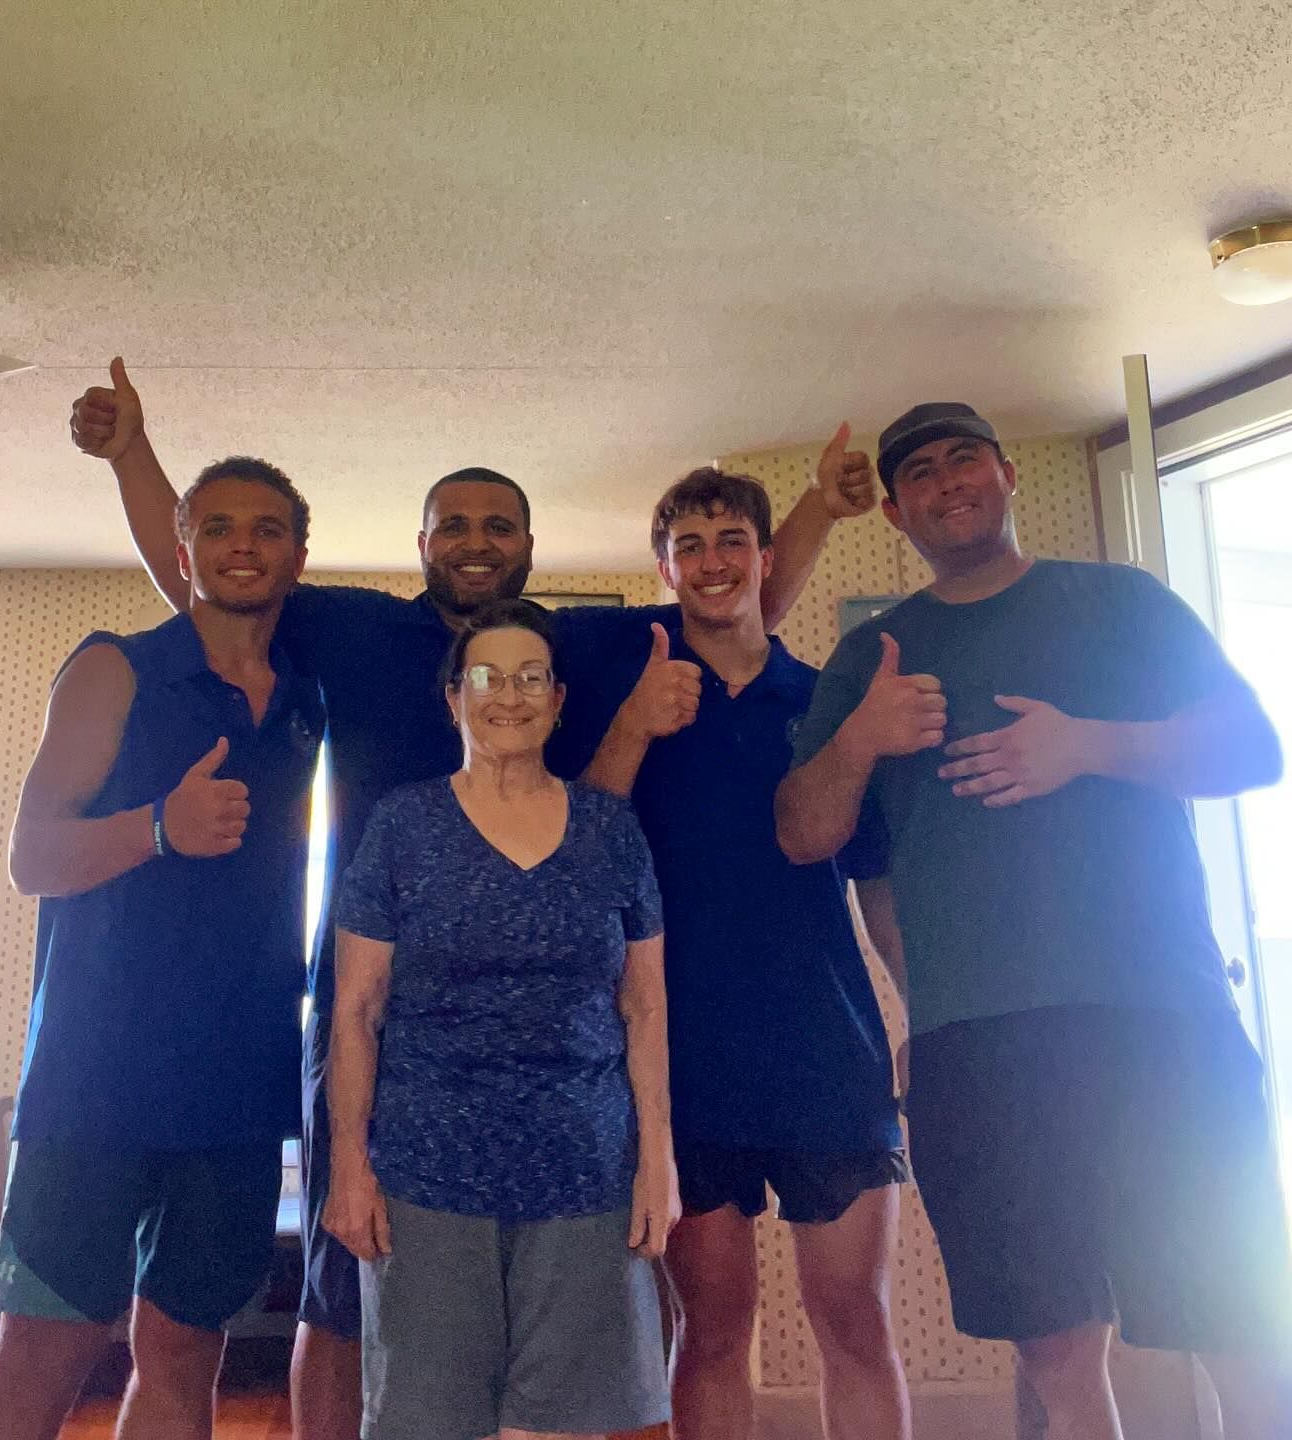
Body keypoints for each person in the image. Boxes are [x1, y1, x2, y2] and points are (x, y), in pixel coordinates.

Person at [68, 360, 874, 1439]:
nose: (478, 541)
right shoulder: (352, 632)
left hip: (556, 1035)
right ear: (423, 544)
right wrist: (132, 456)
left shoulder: (578, 641)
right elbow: (212, 583)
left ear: (530, 549)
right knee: (345, 1289)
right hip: (376, 1008)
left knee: (543, 1321)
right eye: (455, 524)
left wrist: (817, 506)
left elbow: (738, 604)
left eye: (500, 524)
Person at [775, 401, 1292, 1440]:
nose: (947, 480)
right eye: (919, 472)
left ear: (1009, 474)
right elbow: (802, 833)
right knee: (1054, 1341)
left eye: (966, 456)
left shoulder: (1121, 603)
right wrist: (862, 740)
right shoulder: (873, 654)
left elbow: (1252, 750)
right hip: (977, 1039)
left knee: (1235, 1317)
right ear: (894, 509)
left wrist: (1087, 746)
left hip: (1160, 1017)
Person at [0, 458, 323, 1440]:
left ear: (299, 551)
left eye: (264, 528)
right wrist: (159, 825)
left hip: (239, 1084)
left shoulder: (305, 695)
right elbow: (31, 858)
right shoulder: (113, 665)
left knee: (184, 1361)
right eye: (216, 528)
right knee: (38, 1368)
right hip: (98, 1079)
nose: (241, 545)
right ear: (183, 547)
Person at [551, 468, 909, 1440]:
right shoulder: (630, 691)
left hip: (827, 1053)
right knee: (711, 1329)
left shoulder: (826, 698)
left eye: (731, 541)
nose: (713, 561)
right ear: (664, 567)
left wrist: (915, 1013)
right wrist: (635, 725)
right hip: (681, 1062)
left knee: (855, 1320)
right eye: (691, 545)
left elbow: (873, 878)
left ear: (764, 557)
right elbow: (580, 855)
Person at [323, 599, 676, 1440]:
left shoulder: (610, 829)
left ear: (558, 700)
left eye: (529, 678)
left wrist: (656, 1160)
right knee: (433, 1424)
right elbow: (356, 1009)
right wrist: (346, 1162)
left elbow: (644, 1004)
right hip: (426, 1175)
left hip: (585, 1174)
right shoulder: (401, 826)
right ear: (453, 698)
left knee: (559, 1426)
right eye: (485, 677)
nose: (507, 695)